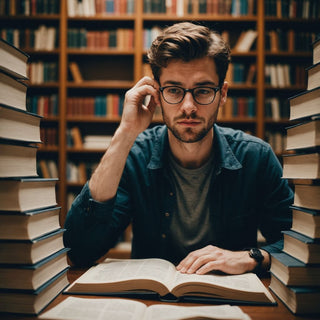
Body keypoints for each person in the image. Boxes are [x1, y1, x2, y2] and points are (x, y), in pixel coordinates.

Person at [64, 22, 293, 275]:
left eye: (203, 90)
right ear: (157, 94)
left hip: (231, 305)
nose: (188, 107)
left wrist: (252, 258)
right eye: (174, 90)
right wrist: (125, 133)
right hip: (150, 306)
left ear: (223, 93)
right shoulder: (134, 156)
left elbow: (299, 247)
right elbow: (79, 250)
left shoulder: (256, 157)